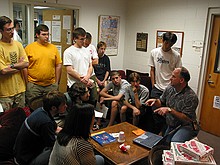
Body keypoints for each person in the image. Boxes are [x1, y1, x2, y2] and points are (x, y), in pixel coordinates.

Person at [145, 67, 199, 143]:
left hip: (185, 126)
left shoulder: (191, 97)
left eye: (173, 76)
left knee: (174, 143)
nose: (170, 78)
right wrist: (155, 101)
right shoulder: (169, 88)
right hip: (171, 124)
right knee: (164, 143)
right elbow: (161, 101)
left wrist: (170, 110)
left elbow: (186, 119)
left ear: (181, 80)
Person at [14, 90, 67, 165]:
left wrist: (68, 134)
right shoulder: (45, 122)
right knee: (60, 150)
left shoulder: (41, 111)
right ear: (54, 108)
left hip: (21, 154)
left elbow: (56, 128)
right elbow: (52, 144)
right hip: (25, 160)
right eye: (63, 105)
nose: (66, 106)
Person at [148, 32, 182, 134]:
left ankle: (162, 133)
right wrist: (153, 84)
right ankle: (156, 132)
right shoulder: (154, 52)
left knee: (167, 112)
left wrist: (174, 86)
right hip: (157, 87)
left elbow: (178, 72)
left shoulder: (176, 56)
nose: (167, 46)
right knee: (155, 111)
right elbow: (152, 70)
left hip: (170, 88)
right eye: (166, 43)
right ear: (162, 41)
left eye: (170, 44)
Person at [24, 24, 62, 105]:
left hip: (50, 85)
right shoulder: (29, 48)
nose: (47, 37)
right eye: (44, 34)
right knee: (33, 107)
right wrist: (27, 83)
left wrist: (56, 82)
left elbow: (58, 65)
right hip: (34, 85)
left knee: (51, 108)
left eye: (48, 34)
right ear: (37, 35)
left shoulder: (53, 48)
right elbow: (24, 67)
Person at [0, 16, 29, 111]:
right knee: (7, 121)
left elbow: (26, 63)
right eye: (8, 30)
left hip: (20, 90)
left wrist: (11, 66)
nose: (12, 32)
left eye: (12, 28)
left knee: (20, 119)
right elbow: (3, 71)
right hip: (5, 94)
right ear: (1, 31)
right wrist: (19, 65)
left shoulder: (18, 44)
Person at [63, 27, 95, 105]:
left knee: (89, 106)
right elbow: (69, 70)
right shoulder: (68, 52)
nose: (83, 41)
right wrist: (83, 79)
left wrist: (87, 77)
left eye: (84, 39)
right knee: (75, 108)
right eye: (81, 39)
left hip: (87, 84)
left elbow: (90, 66)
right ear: (75, 39)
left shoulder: (87, 51)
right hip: (75, 86)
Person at [83, 32, 98, 106]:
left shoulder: (92, 47)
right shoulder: (78, 49)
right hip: (82, 76)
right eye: (86, 44)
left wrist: (88, 62)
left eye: (88, 44)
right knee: (83, 96)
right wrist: (89, 61)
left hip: (91, 74)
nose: (87, 45)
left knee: (93, 96)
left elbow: (96, 61)